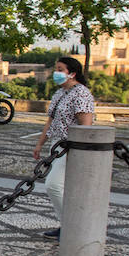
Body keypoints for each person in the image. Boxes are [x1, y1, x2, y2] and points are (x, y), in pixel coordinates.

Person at [32, 56, 96, 240]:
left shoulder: (81, 94)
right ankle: (67, 225)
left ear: (72, 73)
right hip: (57, 144)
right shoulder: (60, 93)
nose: (56, 72)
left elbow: (86, 124)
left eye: (60, 69)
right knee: (61, 187)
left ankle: (72, 226)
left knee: (53, 185)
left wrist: (81, 150)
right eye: (56, 68)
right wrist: (40, 144)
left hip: (72, 146)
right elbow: (50, 121)